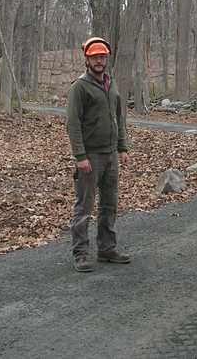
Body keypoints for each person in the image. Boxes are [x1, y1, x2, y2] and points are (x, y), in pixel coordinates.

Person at [66, 36, 130, 272]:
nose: (99, 61)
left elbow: (119, 118)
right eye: (95, 57)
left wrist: (122, 148)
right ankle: (81, 253)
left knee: (109, 204)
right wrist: (80, 156)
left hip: (111, 154)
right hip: (90, 156)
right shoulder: (79, 87)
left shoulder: (111, 84)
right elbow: (73, 123)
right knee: (84, 206)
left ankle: (107, 248)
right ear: (87, 60)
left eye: (102, 57)